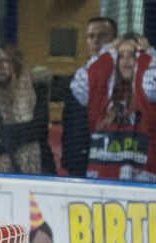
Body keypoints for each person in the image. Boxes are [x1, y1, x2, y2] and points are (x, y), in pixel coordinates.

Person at [80, 34, 156, 181]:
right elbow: (80, 83)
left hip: (144, 182)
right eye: (121, 55)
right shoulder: (102, 96)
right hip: (102, 182)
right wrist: (108, 52)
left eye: (133, 55)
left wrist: (149, 54)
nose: (126, 61)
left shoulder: (149, 95)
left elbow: (151, 84)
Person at [0, 44, 48, 175]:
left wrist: (3, 134)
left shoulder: (35, 88)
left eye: (4, 61)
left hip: (34, 166)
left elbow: (39, 128)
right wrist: (3, 145)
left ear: (14, 63)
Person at [64, 17, 117, 177]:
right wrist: (69, 162)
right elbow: (69, 122)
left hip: (112, 159)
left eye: (102, 35)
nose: (96, 41)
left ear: (114, 40)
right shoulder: (79, 77)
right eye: (91, 36)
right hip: (80, 162)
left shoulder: (124, 76)